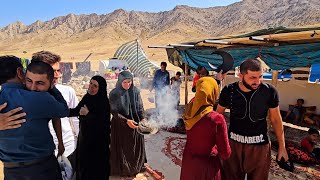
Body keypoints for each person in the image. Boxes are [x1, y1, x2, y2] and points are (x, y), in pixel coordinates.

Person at [216, 58, 288, 180]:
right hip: (234, 145)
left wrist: (282, 147)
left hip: (260, 147)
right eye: (252, 78)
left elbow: (276, 119)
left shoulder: (269, 91)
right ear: (240, 75)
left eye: (260, 76)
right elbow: (217, 117)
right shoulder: (229, 91)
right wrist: (215, 142)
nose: (257, 81)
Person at [0, 56, 68, 179]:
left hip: (10, 172)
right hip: (42, 169)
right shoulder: (39, 98)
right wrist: (52, 87)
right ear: (20, 72)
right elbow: (63, 110)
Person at [32, 51, 79, 165]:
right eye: (53, 71)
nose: (58, 75)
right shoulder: (26, 95)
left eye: (58, 70)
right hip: (39, 154)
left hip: (68, 148)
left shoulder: (67, 91)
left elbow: (76, 119)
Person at [181, 77, 231, 180]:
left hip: (188, 164)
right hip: (208, 167)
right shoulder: (216, 119)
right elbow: (225, 153)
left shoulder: (189, 111)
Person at [68, 75, 111, 180]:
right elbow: (77, 110)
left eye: (95, 85)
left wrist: (88, 114)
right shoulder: (87, 97)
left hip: (98, 144)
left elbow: (103, 124)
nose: (91, 87)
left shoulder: (104, 102)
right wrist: (63, 111)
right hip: (85, 140)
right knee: (84, 166)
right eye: (91, 83)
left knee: (96, 169)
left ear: (100, 88)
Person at [110, 71, 147, 177]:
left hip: (135, 123)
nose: (127, 84)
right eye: (125, 82)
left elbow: (140, 106)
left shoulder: (135, 91)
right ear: (120, 81)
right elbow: (114, 111)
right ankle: (125, 170)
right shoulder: (114, 93)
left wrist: (143, 118)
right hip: (120, 125)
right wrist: (126, 121)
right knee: (124, 149)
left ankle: (137, 167)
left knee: (135, 147)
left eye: (129, 82)